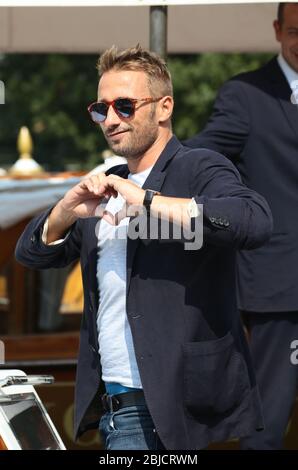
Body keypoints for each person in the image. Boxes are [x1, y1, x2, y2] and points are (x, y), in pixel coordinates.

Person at [15, 45, 272, 451]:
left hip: (179, 403)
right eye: (101, 109)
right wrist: (66, 209)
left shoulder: (199, 167)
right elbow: (30, 254)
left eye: (124, 105)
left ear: (164, 107)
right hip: (114, 403)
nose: (111, 119)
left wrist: (148, 201)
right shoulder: (106, 186)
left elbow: (252, 221)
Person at [184, 3, 298, 450]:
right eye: (295, 31)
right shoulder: (245, 96)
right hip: (283, 288)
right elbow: (198, 157)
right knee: (268, 420)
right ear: (276, 30)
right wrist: (136, 175)